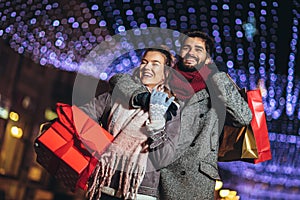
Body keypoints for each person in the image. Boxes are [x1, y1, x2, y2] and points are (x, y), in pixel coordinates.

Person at [110, 31, 253, 199]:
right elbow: (119, 79)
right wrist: (142, 97)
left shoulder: (216, 86)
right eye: (187, 47)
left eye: (198, 49)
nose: (191, 52)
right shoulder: (166, 76)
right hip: (159, 170)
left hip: (195, 179)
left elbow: (243, 117)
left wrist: (219, 78)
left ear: (208, 58)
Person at [80, 47, 180, 200]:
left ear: (166, 73)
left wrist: (158, 126)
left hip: (140, 191)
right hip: (104, 185)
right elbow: (84, 115)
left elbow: (163, 158)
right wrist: (102, 144)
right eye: (144, 62)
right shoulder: (117, 96)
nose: (147, 67)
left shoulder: (171, 109)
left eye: (155, 64)